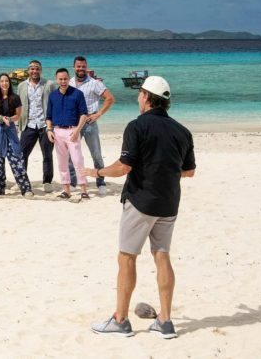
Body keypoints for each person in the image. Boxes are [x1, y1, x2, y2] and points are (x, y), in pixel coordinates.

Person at [86, 76, 195, 339]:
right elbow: (188, 171)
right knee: (162, 255)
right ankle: (165, 321)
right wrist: (163, 172)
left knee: (126, 257)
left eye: (140, 94)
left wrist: (97, 171)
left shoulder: (137, 126)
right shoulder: (182, 131)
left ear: (146, 97)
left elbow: (123, 167)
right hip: (169, 202)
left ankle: (120, 320)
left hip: (141, 202)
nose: (138, 98)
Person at [69, 56, 115, 197]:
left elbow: (110, 98)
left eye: (83, 66)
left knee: (96, 154)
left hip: (89, 123)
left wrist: (99, 114)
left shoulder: (95, 83)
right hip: (74, 123)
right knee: (71, 154)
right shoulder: (69, 82)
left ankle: (100, 182)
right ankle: (73, 181)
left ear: (86, 67)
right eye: (78, 66)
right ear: (74, 67)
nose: (81, 69)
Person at [0, 73, 32, 196]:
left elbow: (18, 115)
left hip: (10, 131)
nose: (4, 83)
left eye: (6, 81)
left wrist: (9, 119)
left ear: (9, 83)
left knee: (17, 160)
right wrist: (0, 118)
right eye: (2, 81)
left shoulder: (15, 98)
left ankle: (26, 189)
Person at [46, 68, 89, 200]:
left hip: (73, 131)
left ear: (69, 79)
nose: (63, 81)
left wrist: (77, 130)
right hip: (57, 132)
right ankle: (66, 190)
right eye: (60, 79)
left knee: (78, 161)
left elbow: (84, 114)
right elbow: (48, 116)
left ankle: (83, 190)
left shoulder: (77, 94)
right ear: (56, 80)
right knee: (62, 163)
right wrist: (49, 130)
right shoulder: (52, 96)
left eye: (65, 79)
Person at [18, 60, 54, 194]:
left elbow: (54, 103)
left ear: (41, 70)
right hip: (28, 125)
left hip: (45, 125)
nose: (34, 71)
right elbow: (18, 105)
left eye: (37, 68)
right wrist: (17, 123)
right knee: (22, 154)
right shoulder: (22, 85)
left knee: (47, 154)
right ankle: (22, 180)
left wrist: (53, 125)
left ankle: (47, 181)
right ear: (28, 70)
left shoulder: (49, 84)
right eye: (32, 69)